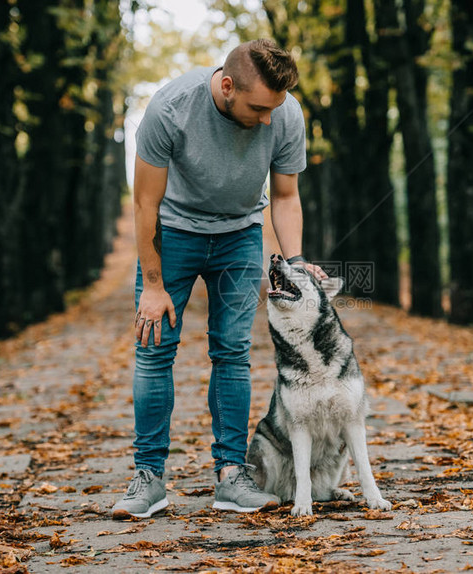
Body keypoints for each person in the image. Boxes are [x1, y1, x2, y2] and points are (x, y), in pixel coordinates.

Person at [112, 39, 327, 519]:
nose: (269, 119)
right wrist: (152, 284)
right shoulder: (171, 108)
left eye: (275, 107)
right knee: (153, 351)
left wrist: (294, 260)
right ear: (227, 86)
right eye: (258, 108)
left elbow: (286, 196)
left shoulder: (285, 112)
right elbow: (146, 204)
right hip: (174, 235)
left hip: (239, 236)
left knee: (232, 353)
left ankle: (232, 475)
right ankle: (149, 479)